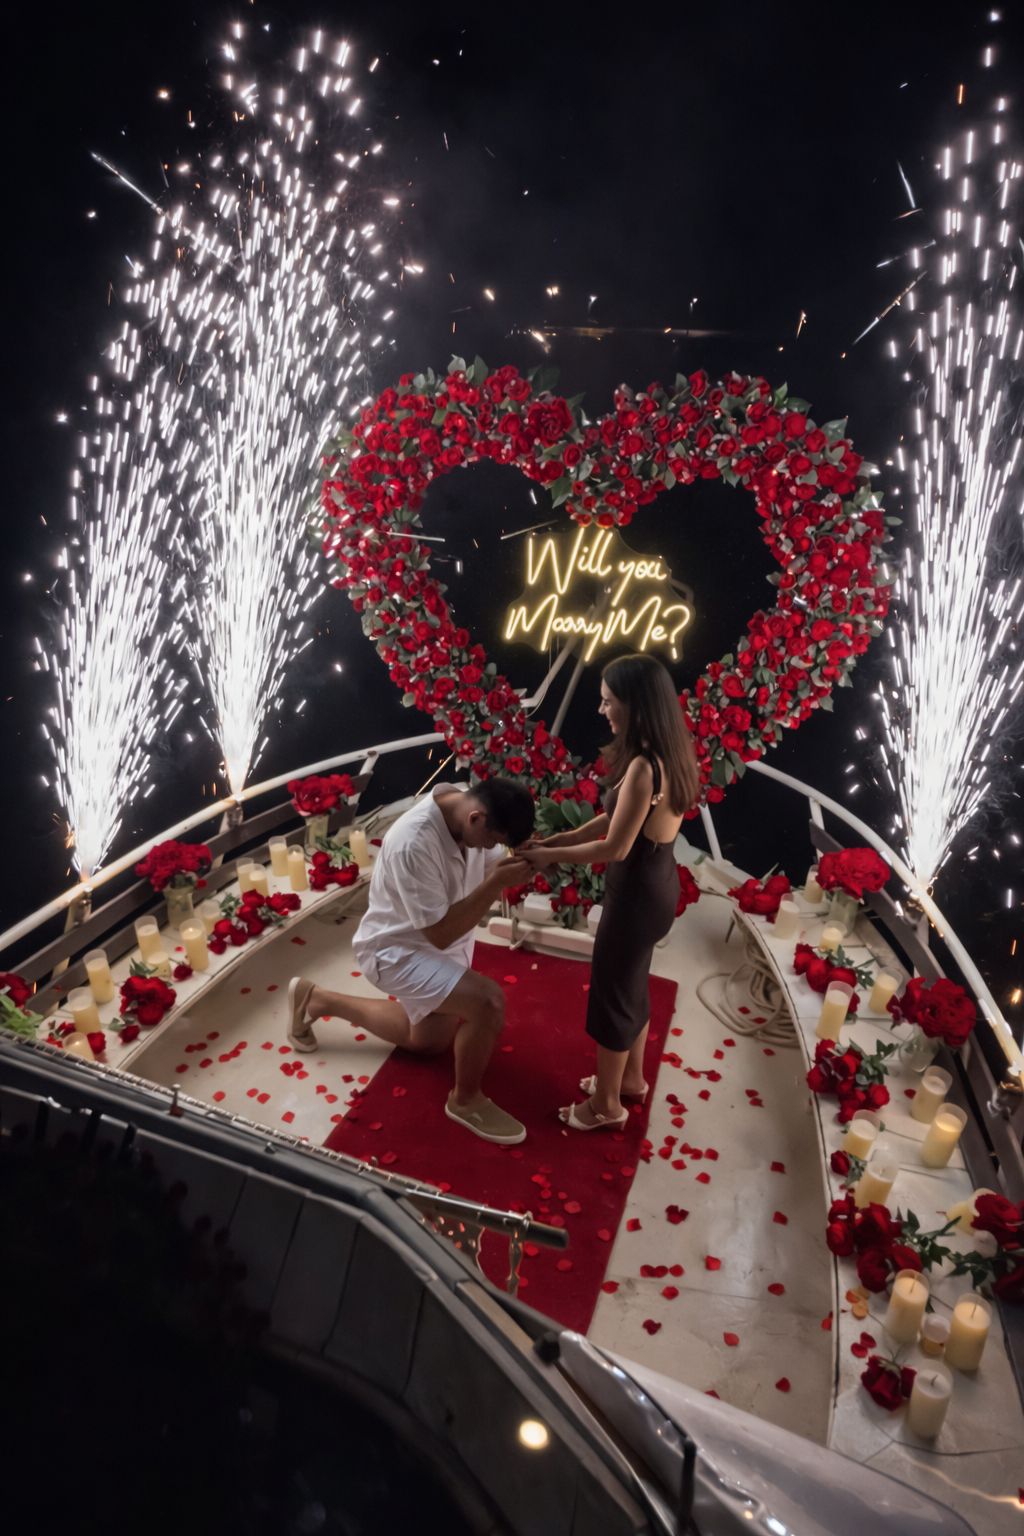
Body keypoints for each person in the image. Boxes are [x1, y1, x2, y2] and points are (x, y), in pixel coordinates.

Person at [287, 776, 535, 1145]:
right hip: (397, 950)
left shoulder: (467, 810)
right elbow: (440, 934)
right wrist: (495, 884)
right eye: (492, 841)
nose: (491, 849)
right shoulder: (412, 842)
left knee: (429, 1043)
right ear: (476, 819)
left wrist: (541, 854)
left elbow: (493, 862)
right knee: (488, 1003)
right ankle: (465, 1101)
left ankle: (317, 999)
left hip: (439, 941)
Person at [520, 653, 700, 1130]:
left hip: (635, 896)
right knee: (632, 988)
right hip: (659, 883)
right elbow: (616, 818)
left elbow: (616, 847)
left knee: (612, 999)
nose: (601, 710)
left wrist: (549, 857)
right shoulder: (668, 753)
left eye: (608, 701)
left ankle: (606, 1106)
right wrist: (559, 839)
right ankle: (631, 1081)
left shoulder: (642, 767)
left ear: (635, 704)